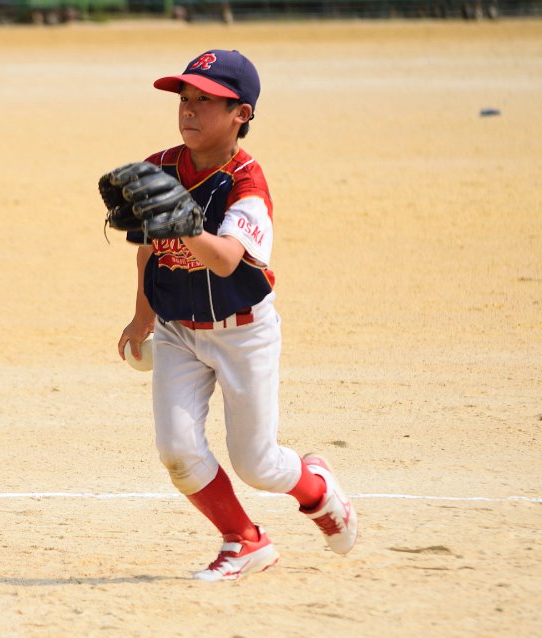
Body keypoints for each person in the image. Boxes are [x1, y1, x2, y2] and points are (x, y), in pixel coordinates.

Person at [115, 50, 358, 581]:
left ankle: (317, 489)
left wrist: (180, 222)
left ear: (241, 114)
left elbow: (226, 260)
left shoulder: (247, 183)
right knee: (177, 451)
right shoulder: (159, 168)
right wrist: (141, 317)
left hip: (243, 333)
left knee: (257, 463)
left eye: (206, 100)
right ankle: (244, 541)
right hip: (177, 331)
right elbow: (149, 249)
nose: (189, 109)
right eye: (185, 98)